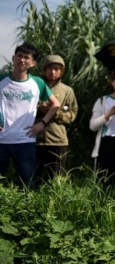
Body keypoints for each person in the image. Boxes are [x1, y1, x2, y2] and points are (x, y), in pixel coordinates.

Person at [0, 43, 60, 189]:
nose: (22, 60)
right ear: (13, 58)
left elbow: (56, 104)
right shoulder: (1, 80)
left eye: (26, 57)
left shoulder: (37, 83)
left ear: (33, 63)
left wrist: (42, 123)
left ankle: (28, 212)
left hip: (25, 141)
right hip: (1, 141)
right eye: (19, 56)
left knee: (28, 185)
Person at [35, 54, 78, 183]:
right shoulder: (34, 86)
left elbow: (73, 113)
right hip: (34, 138)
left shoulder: (67, 90)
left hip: (57, 140)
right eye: (49, 68)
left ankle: (55, 203)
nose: (53, 72)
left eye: (56, 69)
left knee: (56, 179)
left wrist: (56, 113)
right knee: (34, 176)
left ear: (61, 71)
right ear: (44, 70)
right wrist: (39, 109)